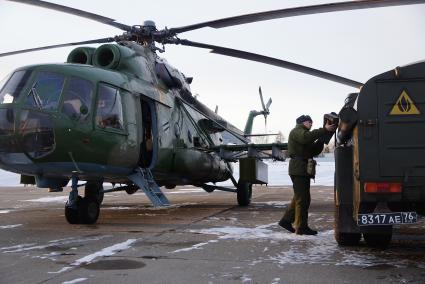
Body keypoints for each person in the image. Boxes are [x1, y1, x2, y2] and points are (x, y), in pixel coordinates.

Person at [279, 115, 336, 235]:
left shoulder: (304, 134)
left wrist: (321, 139)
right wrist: (324, 129)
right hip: (298, 169)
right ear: (302, 122)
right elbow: (306, 138)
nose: (311, 124)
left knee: (300, 197)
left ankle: (286, 220)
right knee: (303, 199)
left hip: (302, 169)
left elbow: (313, 150)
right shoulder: (297, 131)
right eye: (309, 122)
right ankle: (301, 227)